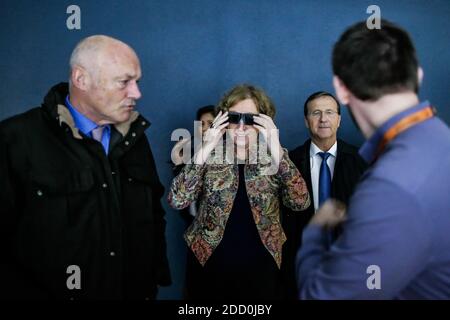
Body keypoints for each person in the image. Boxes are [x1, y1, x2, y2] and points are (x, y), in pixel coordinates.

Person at [0, 35, 171, 299]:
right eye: (124, 82)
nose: (136, 93)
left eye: (137, 82)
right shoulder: (16, 139)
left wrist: (152, 279)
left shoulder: (135, 139)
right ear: (81, 79)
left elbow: (153, 214)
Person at [296, 19, 450, 299]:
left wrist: (315, 233)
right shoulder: (442, 140)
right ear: (418, 74)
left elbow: (319, 297)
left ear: (341, 89)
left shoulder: (389, 186)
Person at [168, 84, 310, 300]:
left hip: (261, 268)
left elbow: (300, 202)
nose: (242, 127)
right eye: (235, 118)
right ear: (224, 121)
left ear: (264, 122)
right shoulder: (207, 156)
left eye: (251, 119)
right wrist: (206, 147)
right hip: (210, 266)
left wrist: (275, 146)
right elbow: (178, 200)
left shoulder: (275, 157)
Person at [282, 91, 367, 298]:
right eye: (316, 113)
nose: (323, 119)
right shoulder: (288, 163)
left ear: (339, 119)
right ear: (306, 120)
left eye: (329, 112)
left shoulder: (362, 161)